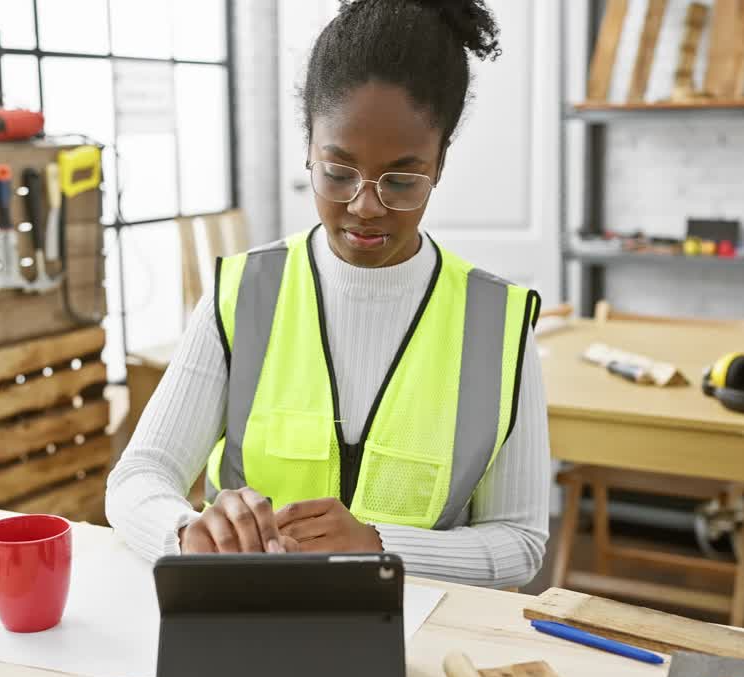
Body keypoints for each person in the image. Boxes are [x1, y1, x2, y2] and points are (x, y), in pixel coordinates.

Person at [106, 0, 550, 588]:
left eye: (401, 179)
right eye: (338, 172)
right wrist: (186, 533)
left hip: (415, 635)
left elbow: (520, 543)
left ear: (439, 163)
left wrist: (380, 547)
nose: (365, 206)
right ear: (309, 148)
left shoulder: (499, 324)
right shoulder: (241, 294)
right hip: (248, 616)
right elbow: (140, 474)